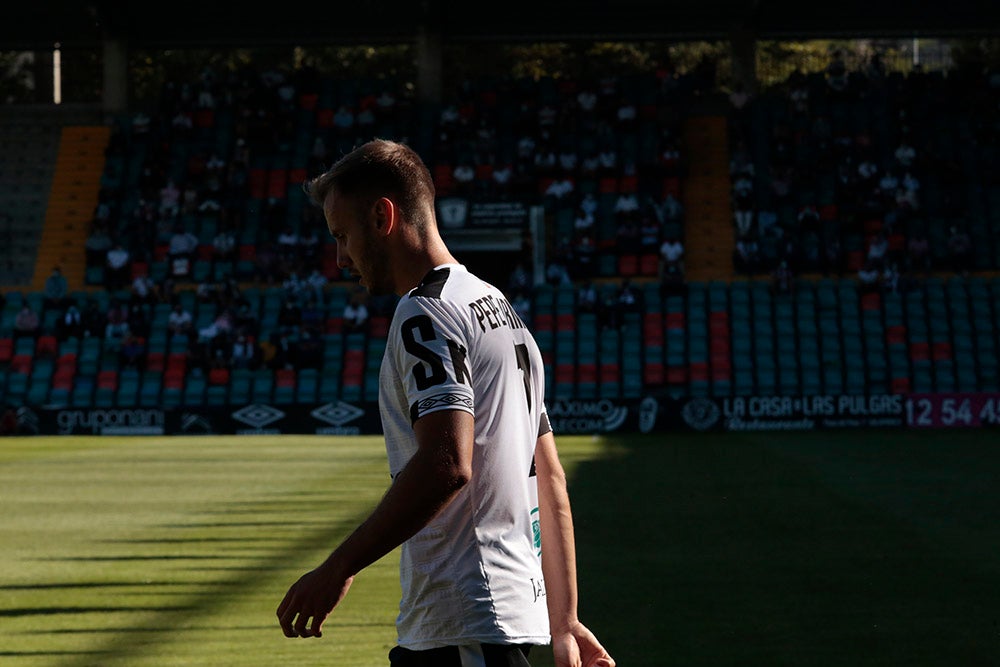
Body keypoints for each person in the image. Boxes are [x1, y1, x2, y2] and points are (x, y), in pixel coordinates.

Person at [277, 139, 615, 667]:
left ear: (383, 216)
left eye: (342, 236)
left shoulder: (426, 314)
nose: (340, 257)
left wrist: (337, 567)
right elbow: (548, 477)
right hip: (497, 620)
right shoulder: (502, 311)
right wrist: (565, 618)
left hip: (462, 622)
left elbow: (445, 466)